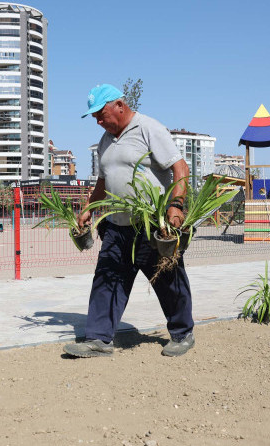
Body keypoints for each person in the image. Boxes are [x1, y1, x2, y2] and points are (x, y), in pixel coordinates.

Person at [63, 84, 195, 358]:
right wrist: (89, 208)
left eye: (101, 115)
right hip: (116, 228)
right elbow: (103, 180)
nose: (99, 122)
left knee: (168, 279)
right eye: (95, 118)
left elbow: (180, 168)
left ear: (119, 106)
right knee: (106, 280)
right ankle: (99, 339)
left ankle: (183, 333)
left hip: (150, 226)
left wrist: (176, 205)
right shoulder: (105, 142)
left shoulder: (148, 128)